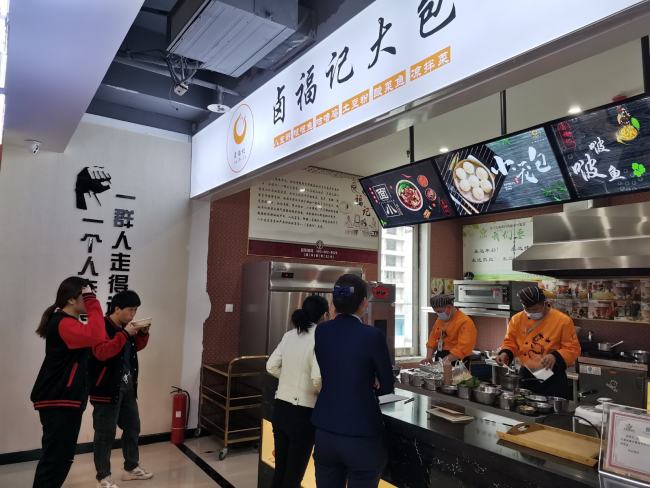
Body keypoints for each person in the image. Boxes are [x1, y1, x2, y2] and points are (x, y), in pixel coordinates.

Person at [31, 277, 122, 488]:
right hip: (58, 400)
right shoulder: (61, 322)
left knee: (61, 459)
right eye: (85, 295)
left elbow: (100, 345)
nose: (90, 299)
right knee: (55, 460)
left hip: (65, 399)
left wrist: (124, 335)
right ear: (72, 299)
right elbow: (97, 334)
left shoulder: (68, 322)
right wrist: (93, 301)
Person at [311, 274, 394, 488]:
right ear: (364, 303)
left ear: (333, 302)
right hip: (361, 432)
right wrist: (372, 381)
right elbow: (387, 386)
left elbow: (335, 367)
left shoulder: (321, 331)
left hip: (325, 430)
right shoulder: (373, 335)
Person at [88, 290, 152, 488]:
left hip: (128, 388)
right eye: (130, 310)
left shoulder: (126, 328)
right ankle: (103, 477)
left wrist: (142, 333)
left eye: (135, 310)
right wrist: (125, 334)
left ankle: (131, 468)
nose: (133, 314)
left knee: (133, 427)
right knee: (105, 434)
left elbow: (133, 348)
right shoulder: (102, 326)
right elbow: (103, 353)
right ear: (117, 308)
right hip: (106, 390)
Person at [266, 295, 330, 488]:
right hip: (302, 414)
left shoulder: (289, 335)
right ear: (324, 315)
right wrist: (322, 393)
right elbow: (317, 378)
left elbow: (271, 366)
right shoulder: (320, 337)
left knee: (280, 470)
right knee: (293, 476)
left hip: (280, 408)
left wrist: (289, 379)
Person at [495, 286, 581, 399]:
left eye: (535, 309)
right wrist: (505, 353)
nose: (531, 312)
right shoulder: (517, 320)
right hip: (526, 375)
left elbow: (573, 349)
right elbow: (510, 342)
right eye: (527, 309)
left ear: (544, 303)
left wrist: (555, 356)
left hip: (552, 377)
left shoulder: (562, 321)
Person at [421, 294, 477, 365]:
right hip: (441, 356)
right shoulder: (440, 320)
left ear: (449, 307)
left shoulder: (465, 322)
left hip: (457, 360)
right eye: (436, 312)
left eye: (440, 311)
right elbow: (433, 338)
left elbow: (465, 346)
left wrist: (447, 359)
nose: (438, 314)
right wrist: (428, 357)